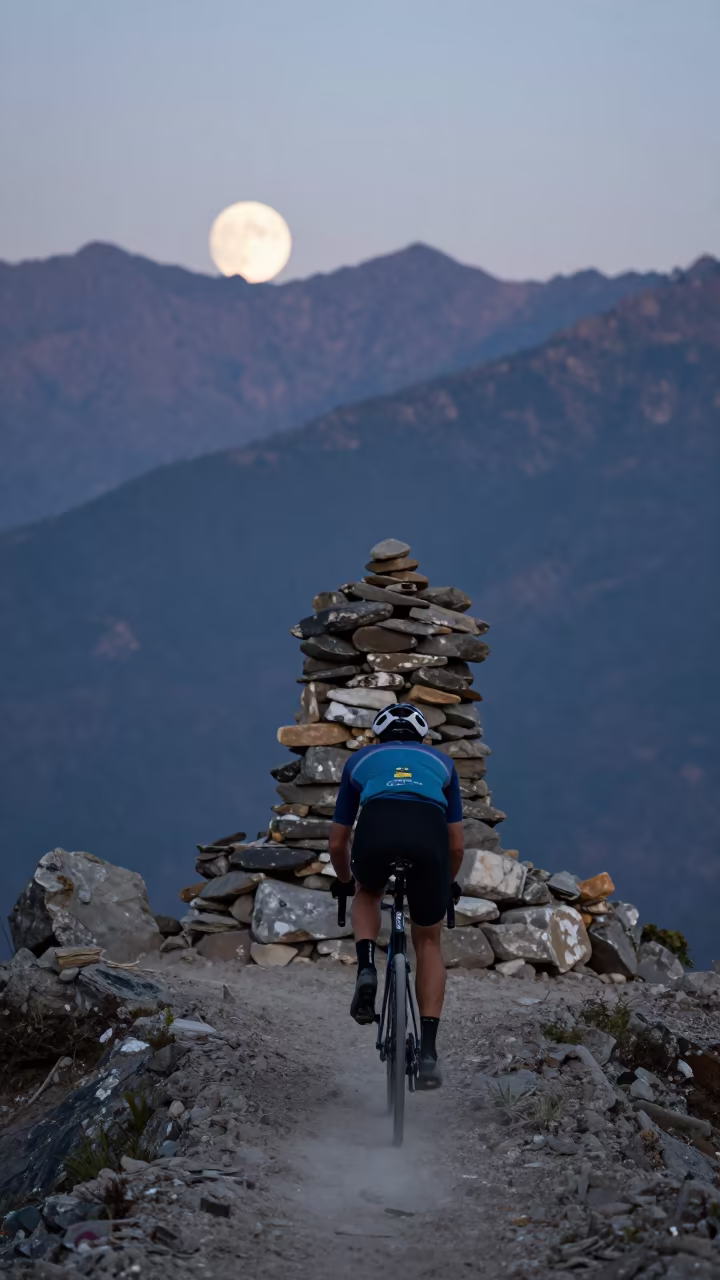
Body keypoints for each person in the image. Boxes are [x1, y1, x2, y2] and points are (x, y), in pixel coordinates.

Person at [329, 702, 464, 1089]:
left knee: (367, 890)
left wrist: (344, 880)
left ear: (378, 735)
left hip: (377, 831)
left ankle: (367, 966)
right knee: (429, 941)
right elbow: (456, 846)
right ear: (422, 736)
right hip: (429, 840)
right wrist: (445, 882)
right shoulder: (443, 764)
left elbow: (338, 842)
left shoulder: (360, 761)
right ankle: (429, 1054)